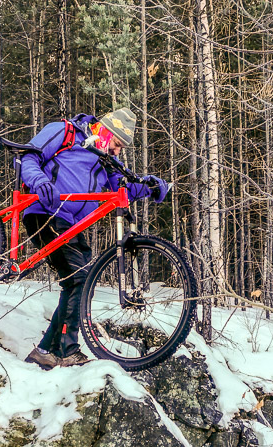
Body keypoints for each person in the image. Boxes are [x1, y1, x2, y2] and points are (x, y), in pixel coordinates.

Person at [21, 108, 169, 369]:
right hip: (45, 211)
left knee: (80, 280)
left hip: (72, 226)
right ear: (105, 130)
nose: (117, 151)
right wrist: (39, 181)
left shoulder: (106, 159)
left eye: (121, 147)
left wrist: (153, 185)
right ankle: (67, 352)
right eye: (117, 143)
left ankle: (45, 351)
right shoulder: (66, 132)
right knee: (79, 278)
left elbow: (125, 186)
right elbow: (27, 156)